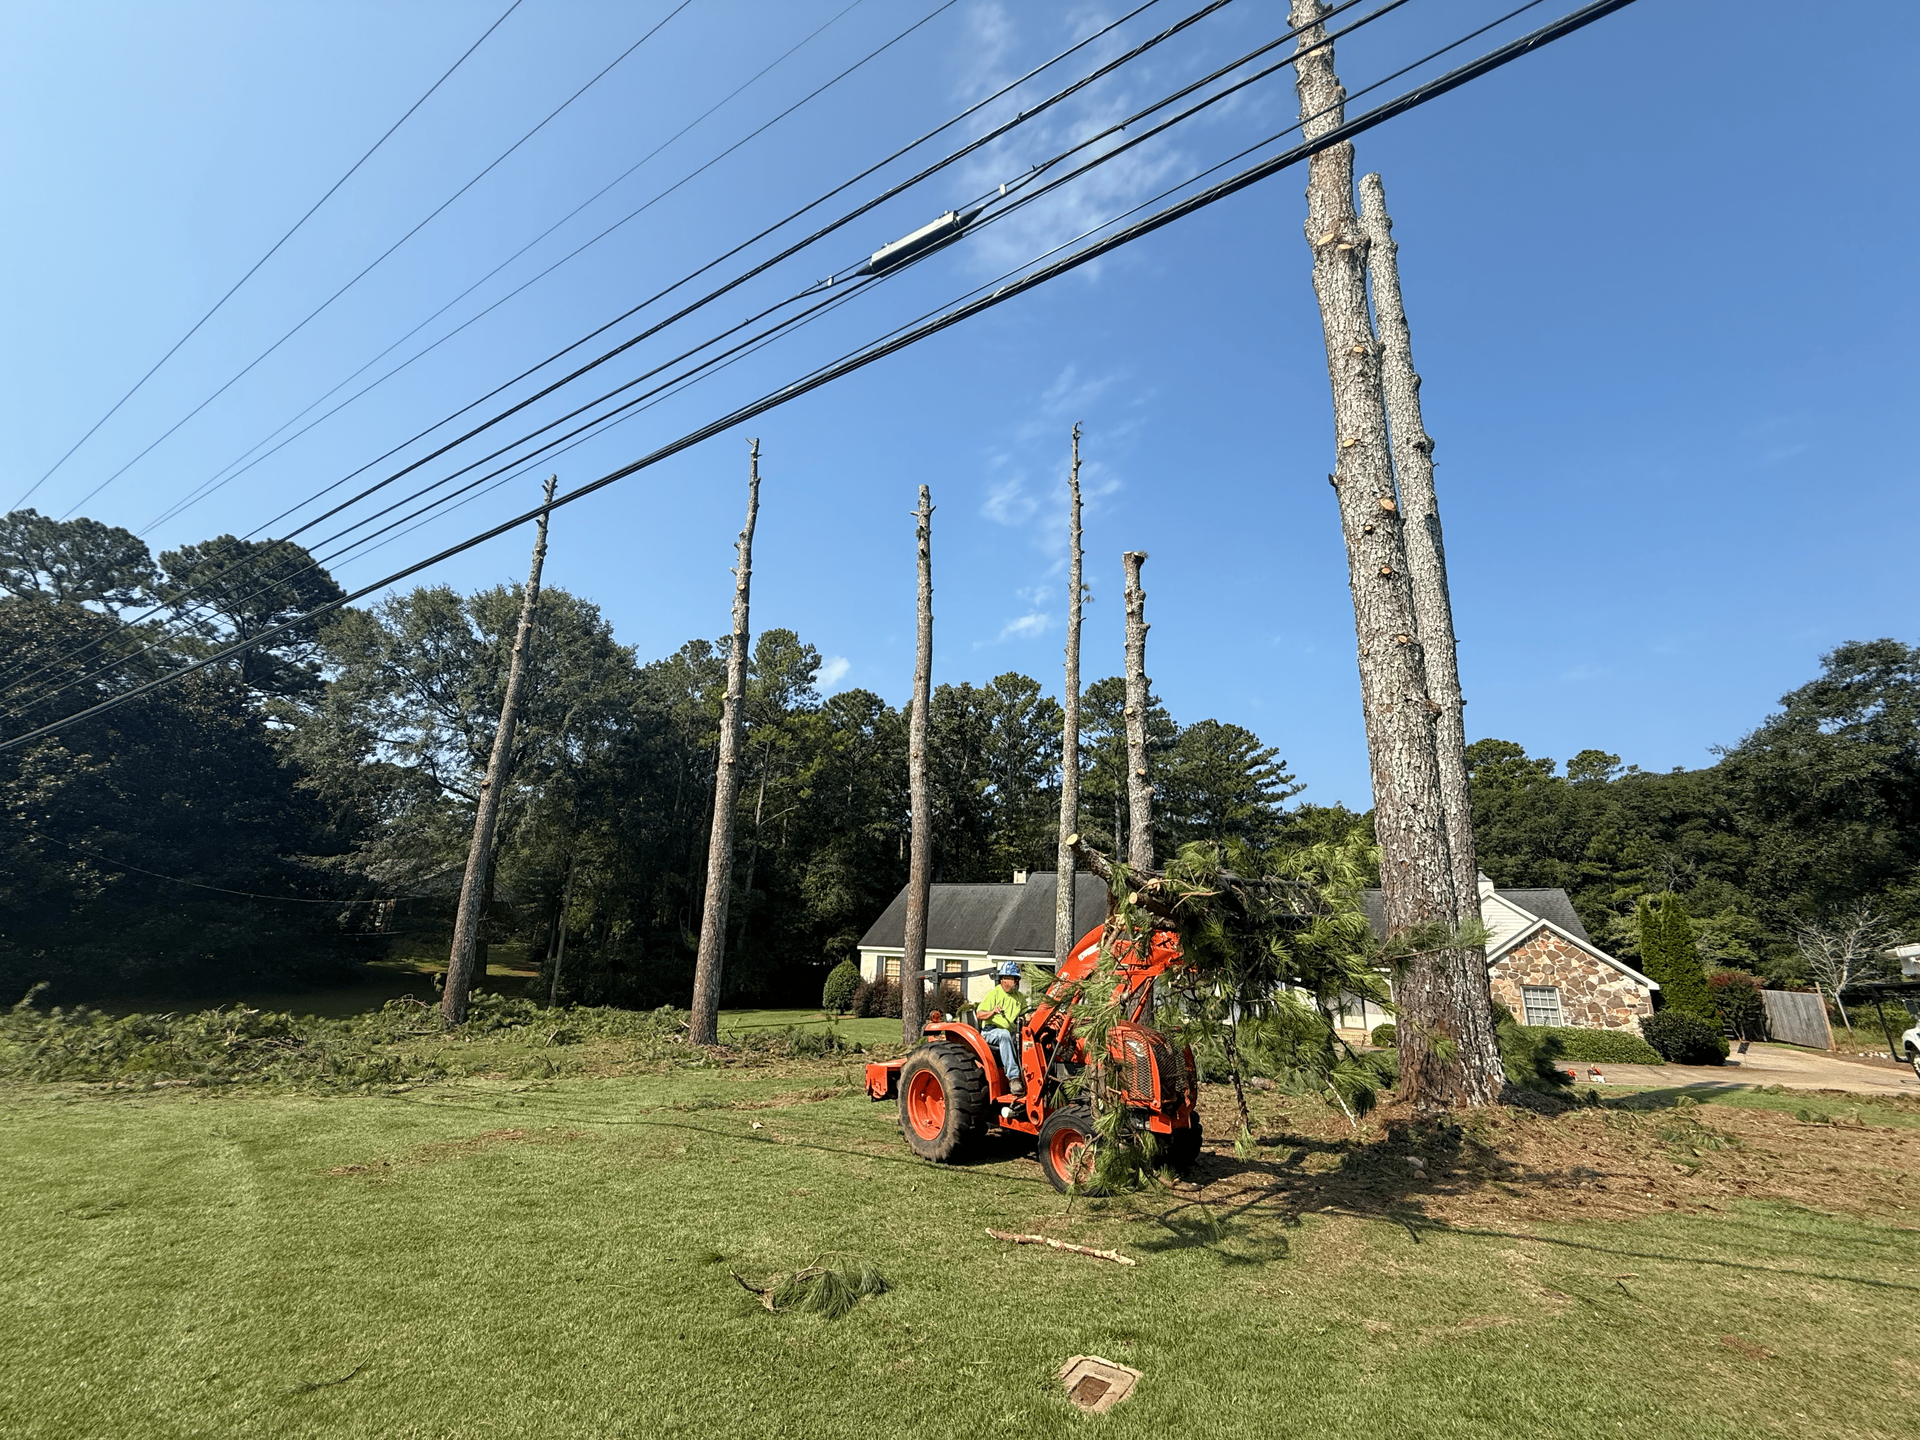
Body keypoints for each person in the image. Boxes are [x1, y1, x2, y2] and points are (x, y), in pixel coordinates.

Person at [976, 961, 1028, 1094]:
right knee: (1004, 1035)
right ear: (1003, 979)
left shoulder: (1019, 997)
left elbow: (1025, 1015)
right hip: (990, 1031)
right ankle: (1013, 1078)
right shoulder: (993, 994)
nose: (1014, 982)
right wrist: (992, 1012)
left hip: (1011, 1032)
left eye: (1015, 979)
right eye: (1011, 979)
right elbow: (980, 1014)